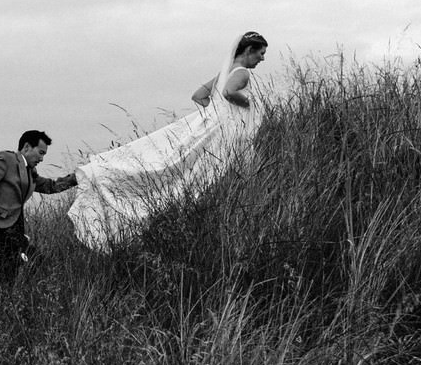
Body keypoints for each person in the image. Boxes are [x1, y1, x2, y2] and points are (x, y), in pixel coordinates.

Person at [67, 32, 270, 252]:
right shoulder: (242, 73)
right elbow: (230, 92)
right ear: (248, 50)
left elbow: (199, 96)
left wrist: (214, 115)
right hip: (226, 133)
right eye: (261, 53)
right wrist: (249, 102)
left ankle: (102, 175)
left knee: (170, 166)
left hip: (212, 126)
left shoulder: (224, 72)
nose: (262, 59)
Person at [0, 130, 77, 293]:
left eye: (44, 155)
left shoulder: (30, 171)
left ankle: (2, 302)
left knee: (22, 267)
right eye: (40, 153)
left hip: (14, 230)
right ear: (26, 147)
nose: (42, 158)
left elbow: (50, 186)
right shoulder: (6, 160)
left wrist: (77, 178)